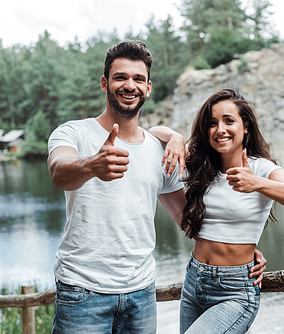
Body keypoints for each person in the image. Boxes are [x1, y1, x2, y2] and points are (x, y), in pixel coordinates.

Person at [47, 41, 266, 333]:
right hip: (83, 292)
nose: (130, 85)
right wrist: (91, 166)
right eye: (120, 77)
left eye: (138, 79)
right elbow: (59, 172)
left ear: (148, 88)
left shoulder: (157, 149)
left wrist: (242, 252)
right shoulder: (73, 132)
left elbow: (192, 223)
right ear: (104, 83)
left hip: (141, 296)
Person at [150, 88, 284, 334]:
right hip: (194, 280)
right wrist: (175, 136)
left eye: (229, 121)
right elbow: (151, 135)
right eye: (213, 123)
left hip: (234, 291)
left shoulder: (261, 168)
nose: (220, 129)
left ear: (245, 126)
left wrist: (256, 183)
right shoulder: (201, 164)